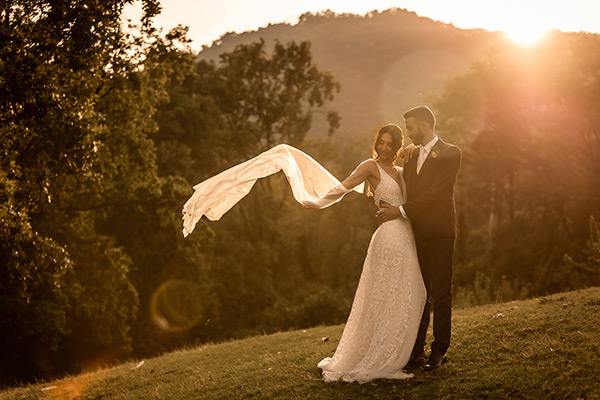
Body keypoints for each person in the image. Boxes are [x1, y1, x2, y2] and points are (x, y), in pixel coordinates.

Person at [307, 124, 426, 384]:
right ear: (377, 144)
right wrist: (318, 203)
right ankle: (378, 354)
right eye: (381, 142)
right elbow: (345, 185)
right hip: (389, 237)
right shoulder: (369, 167)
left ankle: (400, 349)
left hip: (407, 236)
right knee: (385, 293)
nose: (384, 148)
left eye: (390, 144)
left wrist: (414, 148)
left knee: (407, 292)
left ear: (396, 147)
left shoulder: (402, 172)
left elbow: (417, 188)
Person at [377, 106, 461, 371]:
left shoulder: (451, 153)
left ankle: (439, 351)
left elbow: (437, 193)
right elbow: (406, 188)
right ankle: (416, 351)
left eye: (411, 128)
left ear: (424, 126)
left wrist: (399, 211)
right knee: (419, 293)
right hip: (416, 233)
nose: (408, 134)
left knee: (441, 292)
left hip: (440, 232)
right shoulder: (411, 157)